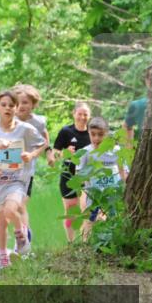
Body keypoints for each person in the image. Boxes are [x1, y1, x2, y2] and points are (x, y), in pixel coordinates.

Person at [0, 89, 45, 269]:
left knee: (10, 210)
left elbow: (43, 144)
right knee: (1, 219)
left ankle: (22, 236)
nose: (7, 108)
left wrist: (31, 155)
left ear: (16, 108)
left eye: (11, 105)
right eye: (4, 105)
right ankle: (2, 257)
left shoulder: (25, 129)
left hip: (17, 180)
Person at [76, 117, 129, 242]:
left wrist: (125, 188)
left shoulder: (116, 151)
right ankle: (86, 244)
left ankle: (114, 242)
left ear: (107, 134)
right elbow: (78, 176)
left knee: (114, 218)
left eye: (100, 135)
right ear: (88, 133)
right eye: (93, 134)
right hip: (94, 195)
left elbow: (124, 173)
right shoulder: (84, 153)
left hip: (112, 194)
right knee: (90, 219)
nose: (96, 139)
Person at [48, 102, 92, 243]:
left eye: (85, 114)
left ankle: (86, 243)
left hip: (87, 177)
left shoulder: (92, 132)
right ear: (74, 114)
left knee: (87, 208)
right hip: (68, 176)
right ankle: (71, 243)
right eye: (80, 113)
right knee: (70, 211)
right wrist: (64, 154)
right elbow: (54, 154)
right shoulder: (66, 131)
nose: (82, 117)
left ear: (89, 116)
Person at [13, 84, 48, 249]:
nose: (21, 106)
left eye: (25, 102)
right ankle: (22, 234)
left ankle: (23, 240)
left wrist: (34, 155)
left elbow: (45, 142)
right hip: (9, 170)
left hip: (27, 172)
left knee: (20, 205)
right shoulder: (8, 119)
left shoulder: (38, 122)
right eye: (18, 102)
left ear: (33, 104)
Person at [123, 64, 152, 145]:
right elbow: (127, 127)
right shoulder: (138, 105)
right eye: (151, 78)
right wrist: (129, 151)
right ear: (146, 81)